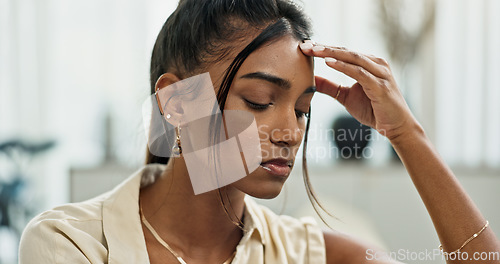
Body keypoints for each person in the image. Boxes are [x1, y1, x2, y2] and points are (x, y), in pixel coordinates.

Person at [19, 0, 500, 263]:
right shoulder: (70, 243)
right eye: (259, 101)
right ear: (178, 103)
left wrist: (407, 135)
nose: (291, 132)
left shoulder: (313, 256)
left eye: (304, 109)